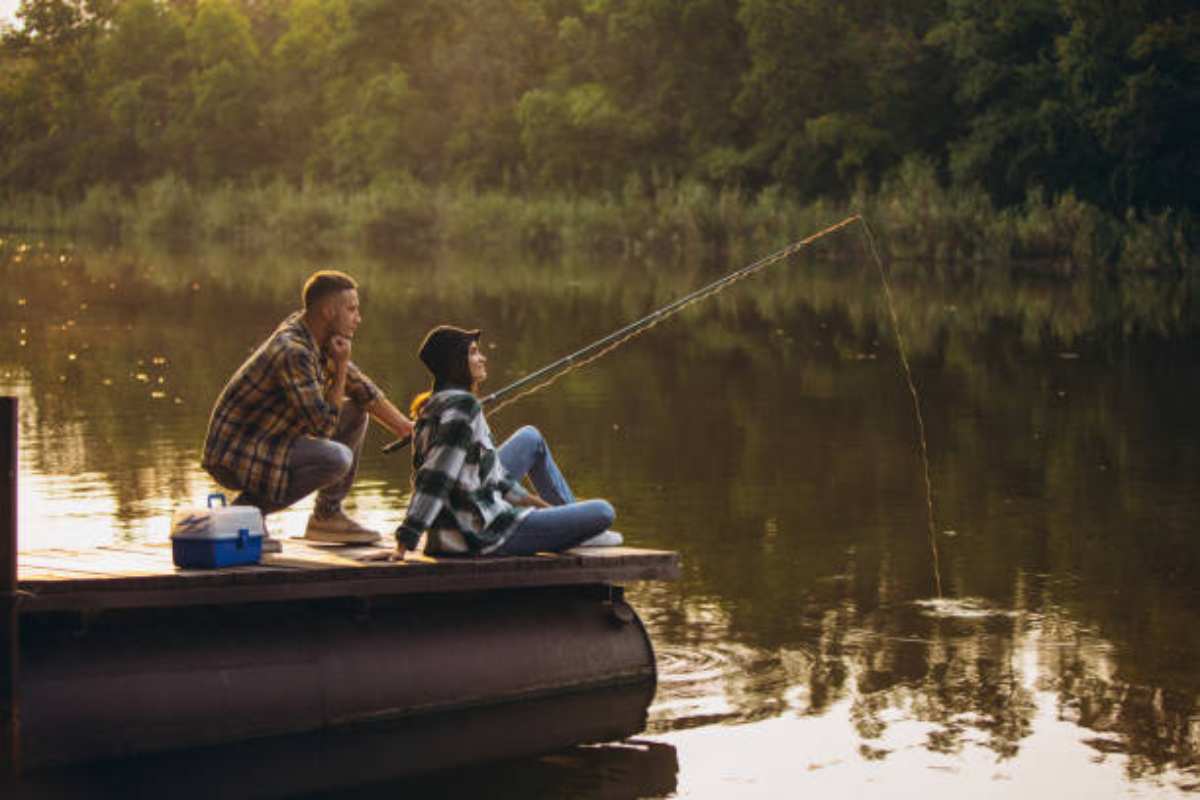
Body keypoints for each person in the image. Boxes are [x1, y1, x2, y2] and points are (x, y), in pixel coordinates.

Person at [202, 270, 414, 551]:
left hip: (269, 441)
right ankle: (246, 514)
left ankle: (327, 517)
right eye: (351, 309)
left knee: (356, 413)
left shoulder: (313, 333)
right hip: (235, 453)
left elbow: (361, 388)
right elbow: (323, 428)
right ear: (328, 311)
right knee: (337, 458)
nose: (358, 318)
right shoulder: (294, 351)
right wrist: (339, 368)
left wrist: (407, 428)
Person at [385, 325, 620, 561]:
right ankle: (580, 531)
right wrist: (405, 542)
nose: (482, 358)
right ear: (456, 362)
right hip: (479, 536)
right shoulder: (463, 408)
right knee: (603, 511)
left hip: (471, 516)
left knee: (530, 437)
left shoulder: (434, 405)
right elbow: (436, 478)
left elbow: (497, 479)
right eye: (474, 352)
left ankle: (578, 530)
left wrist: (563, 518)